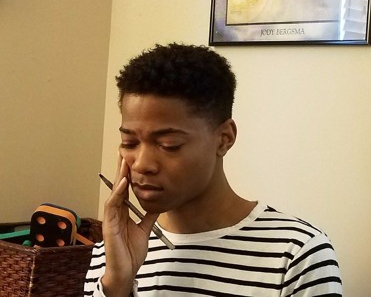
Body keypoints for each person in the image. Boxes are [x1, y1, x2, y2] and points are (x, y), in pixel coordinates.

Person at [84, 43, 342, 296]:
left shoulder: (296, 254)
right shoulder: (113, 252)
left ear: (224, 139)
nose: (141, 164)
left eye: (169, 145)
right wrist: (118, 283)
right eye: (129, 142)